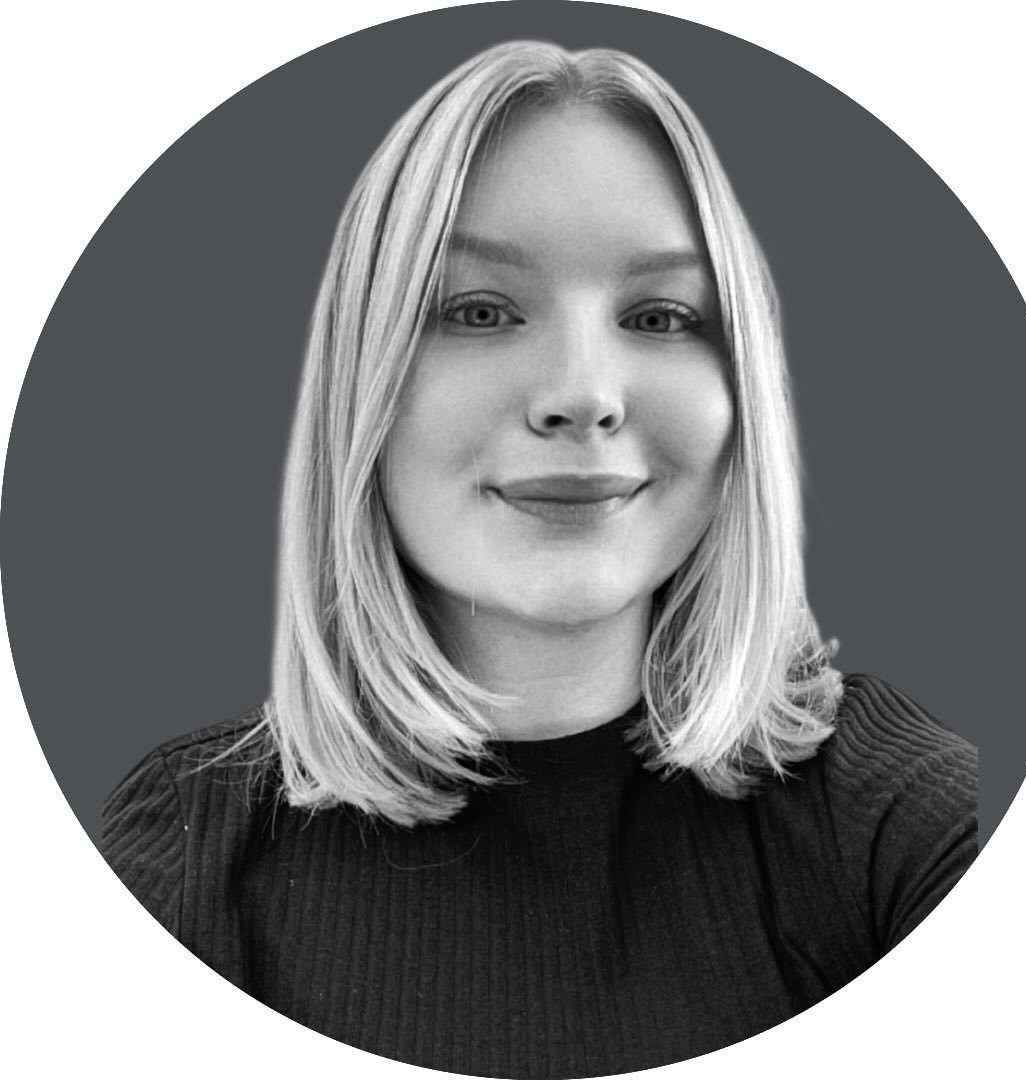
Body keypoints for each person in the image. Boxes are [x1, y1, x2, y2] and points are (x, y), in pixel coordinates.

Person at [102, 41, 977, 1079]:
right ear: (360, 390)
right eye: (479, 310)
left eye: (661, 316)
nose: (582, 394)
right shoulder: (189, 854)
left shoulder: (889, 816)